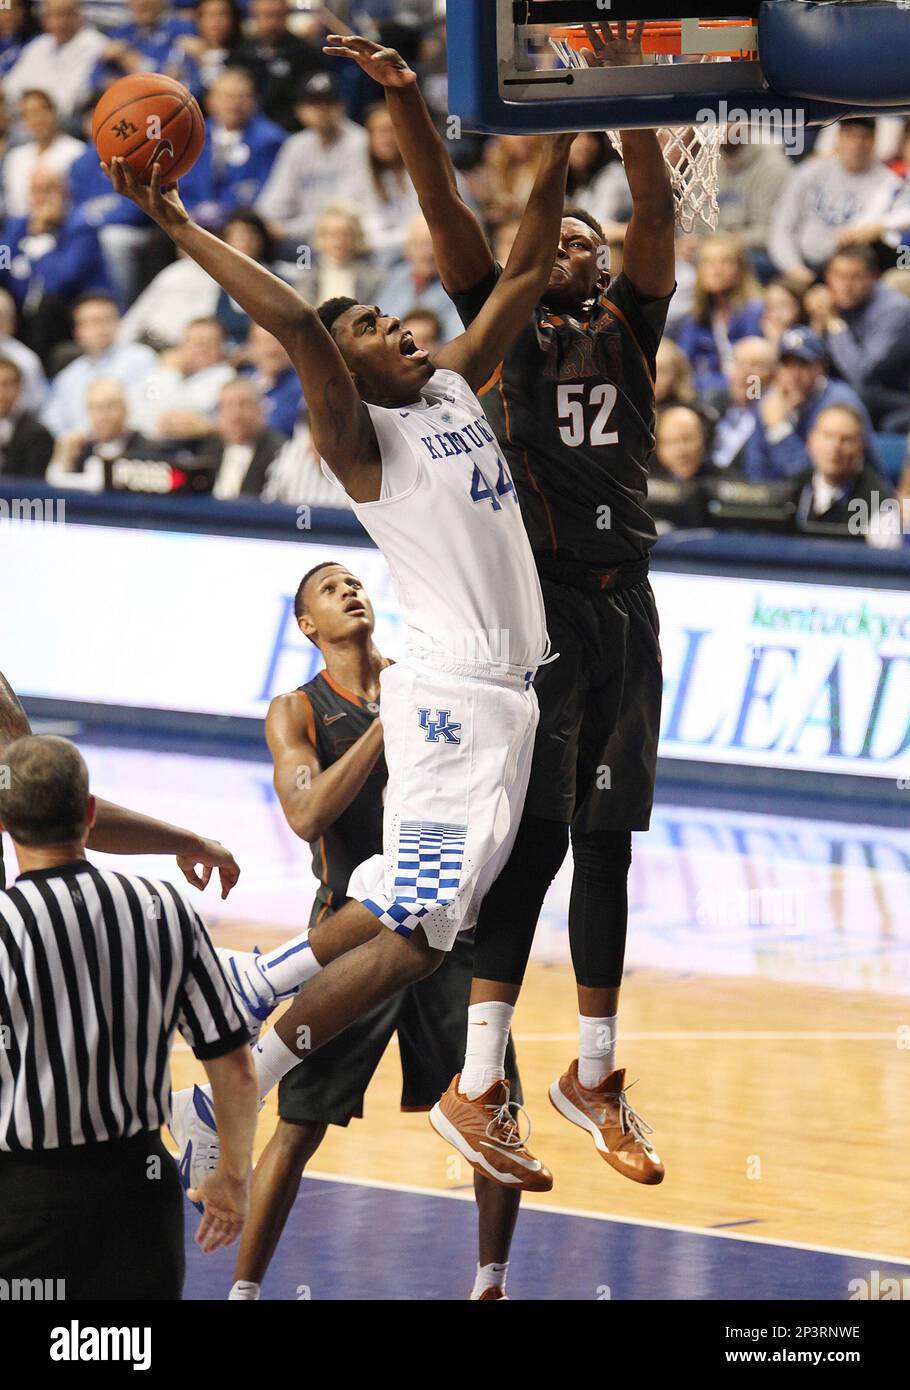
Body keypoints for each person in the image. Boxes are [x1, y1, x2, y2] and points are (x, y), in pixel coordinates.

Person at [105, 111, 575, 1194]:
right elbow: (296, 329)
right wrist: (176, 219)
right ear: (346, 372)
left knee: (412, 917)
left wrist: (556, 141)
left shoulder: (451, 384)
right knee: (412, 926)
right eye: (367, 326)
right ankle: (244, 1067)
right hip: (456, 700)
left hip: (507, 702)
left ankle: (244, 997)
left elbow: (524, 271)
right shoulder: (363, 441)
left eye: (387, 314)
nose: (393, 324)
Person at [323, 25, 672, 1186]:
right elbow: (454, 215)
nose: (573, 243)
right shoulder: (489, 332)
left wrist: (629, 98)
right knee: (527, 851)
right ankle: (479, 1080)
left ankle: (597, 1072)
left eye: (589, 237)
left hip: (630, 607)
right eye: (559, 232)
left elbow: (653, 208)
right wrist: (417, 110)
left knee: (612, 844)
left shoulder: (631, 319)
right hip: (541, 616)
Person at [225, 564, 523, 1303]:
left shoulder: (423, 680)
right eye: (330, 589)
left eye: (356, 582)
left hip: (447, 930)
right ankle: (245, 1293)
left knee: (496, 1107)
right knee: (297, 1126)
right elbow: (306, 815)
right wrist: (389, 725)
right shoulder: (296, 710)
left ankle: (491, 1284)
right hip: (349, 934)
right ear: (306, 626)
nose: (350, 591)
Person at [0, 734, 257, 1299]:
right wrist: (232, 1178)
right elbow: (235, 1069)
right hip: (139, 1193)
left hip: (25, 1202)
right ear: (90, 813)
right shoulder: (164, 907)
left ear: (4, 824)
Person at [768, 119, 908, 282]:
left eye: (864, 137)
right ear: (838, 138)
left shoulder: (888, 182)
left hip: (849, 274)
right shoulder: (810, 172)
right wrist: (794, 268)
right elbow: (781, 227)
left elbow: (877, 226)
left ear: (874, 140)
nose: (857, 144)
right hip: (799, 263)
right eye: (850, 136)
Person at [0, 166, 114, 364]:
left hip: (70, 312)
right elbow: (2, 263)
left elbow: (60, 281)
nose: (42, 199)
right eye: (36, 191)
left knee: (47, 305)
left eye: (49, 190)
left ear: (64, 193)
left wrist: (42, 236)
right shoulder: (18, 225)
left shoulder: (81, 227)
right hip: (25, 314)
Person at [742, 325, 881, 481]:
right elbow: (755, 469)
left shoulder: (840, 405)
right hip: (781, 499)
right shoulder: (770, 400)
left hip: (854, 500)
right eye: (787, 365)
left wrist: (779, 429)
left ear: (820, 368)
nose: (794, 375)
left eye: (803, 365)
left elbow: (819, 479)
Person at [256, 71, 370, 249]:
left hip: (343, 242)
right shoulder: (296, 145)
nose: (322, 110)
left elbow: (346, 209)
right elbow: (273, 204)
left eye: (328, 103)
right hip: (302, 242)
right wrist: (264, 225)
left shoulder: (360, 142)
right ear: (300, 110)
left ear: (342, 106)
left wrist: (288, 229)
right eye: (314, 103)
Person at [814, 245, 910, 431]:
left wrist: (833, 322)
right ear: (828, 278)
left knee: (855, 394)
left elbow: (862, 374)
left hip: (899, 394)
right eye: (839, 276)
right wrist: (818, 322)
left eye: (855, 276)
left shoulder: (895, 310)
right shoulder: (830, 302)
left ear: (874, 276)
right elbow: (814, 361)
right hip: (864, 392)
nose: (846, 285)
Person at [179, 68, 285, 231]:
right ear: (210, 100)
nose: (234, 104)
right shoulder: (193, 135)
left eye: (242, 97)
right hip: (193, 222)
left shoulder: (270, 140)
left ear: (254, 101)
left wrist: (227, 215)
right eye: (227, 97)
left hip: (243, 227)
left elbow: (267, 193)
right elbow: (181, 186)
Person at [41, 292, 156, 435]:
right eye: (94, 322)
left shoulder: (141, 357)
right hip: (81, 449)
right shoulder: (68, 376)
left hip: (129, 443)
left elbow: (153, 402)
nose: (102, 328)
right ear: (78, 332)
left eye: (108, 319)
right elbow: (51, 422)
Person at [671, 232, 763, 395]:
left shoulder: (754, 310)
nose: (716, 270)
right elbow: (682, 365)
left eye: (725, 262)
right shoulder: (696, 316)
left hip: (750, 393)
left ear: (740, 269)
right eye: (708, 263)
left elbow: (757, 369)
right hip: (710, 392)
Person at [790, 403, 897, 542]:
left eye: (846, 439)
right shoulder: (794, 489)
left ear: (861, 448)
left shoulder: (879, 503)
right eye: (828, 436)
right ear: (811, 441)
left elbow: (885, 560)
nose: (835, 447)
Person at [45, 375, 155, 490]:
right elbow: (57, 489)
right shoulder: (82, 449)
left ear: (125, 409)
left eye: (110, 407)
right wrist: (63, 457)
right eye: (95, 407)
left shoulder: (146, 449)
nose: (102, 416)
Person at [4, 0, 107, 120]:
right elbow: (10, 87)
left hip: (61, 122)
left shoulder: (95, 45)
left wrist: (33, 107)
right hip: (23, 116)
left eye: (65, 14)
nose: (59, 22)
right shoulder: (40, 43)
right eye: (52, 15)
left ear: (78, 15)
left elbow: (70, 101)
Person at [232, 0, 325, 131]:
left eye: (277, 15)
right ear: (254, 16)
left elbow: (309, 102)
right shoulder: (242, 53)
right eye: (265, 15)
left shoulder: (305, 53)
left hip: (291, 131)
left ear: (287, 15)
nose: (271, 23)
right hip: (247, 130)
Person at [3, 89, 83, 220]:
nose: (38, 119)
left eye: (42, 110)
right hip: (23, 230)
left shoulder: (76, 151)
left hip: (66, 225)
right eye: (29, 114)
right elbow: (14, 208)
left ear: (54, 112)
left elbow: (81, 201)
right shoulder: (15, 158)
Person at [199, 376, 284, 498]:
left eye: (244, 404)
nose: (235, 413)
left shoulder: (279, 452)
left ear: (260, 409)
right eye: (228, 405)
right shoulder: (207, 451)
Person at [0, 354, 53, 477]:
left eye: (6, 384)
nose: (1, 392)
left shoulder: (37, 433)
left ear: (19, 387)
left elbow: (32, 486)